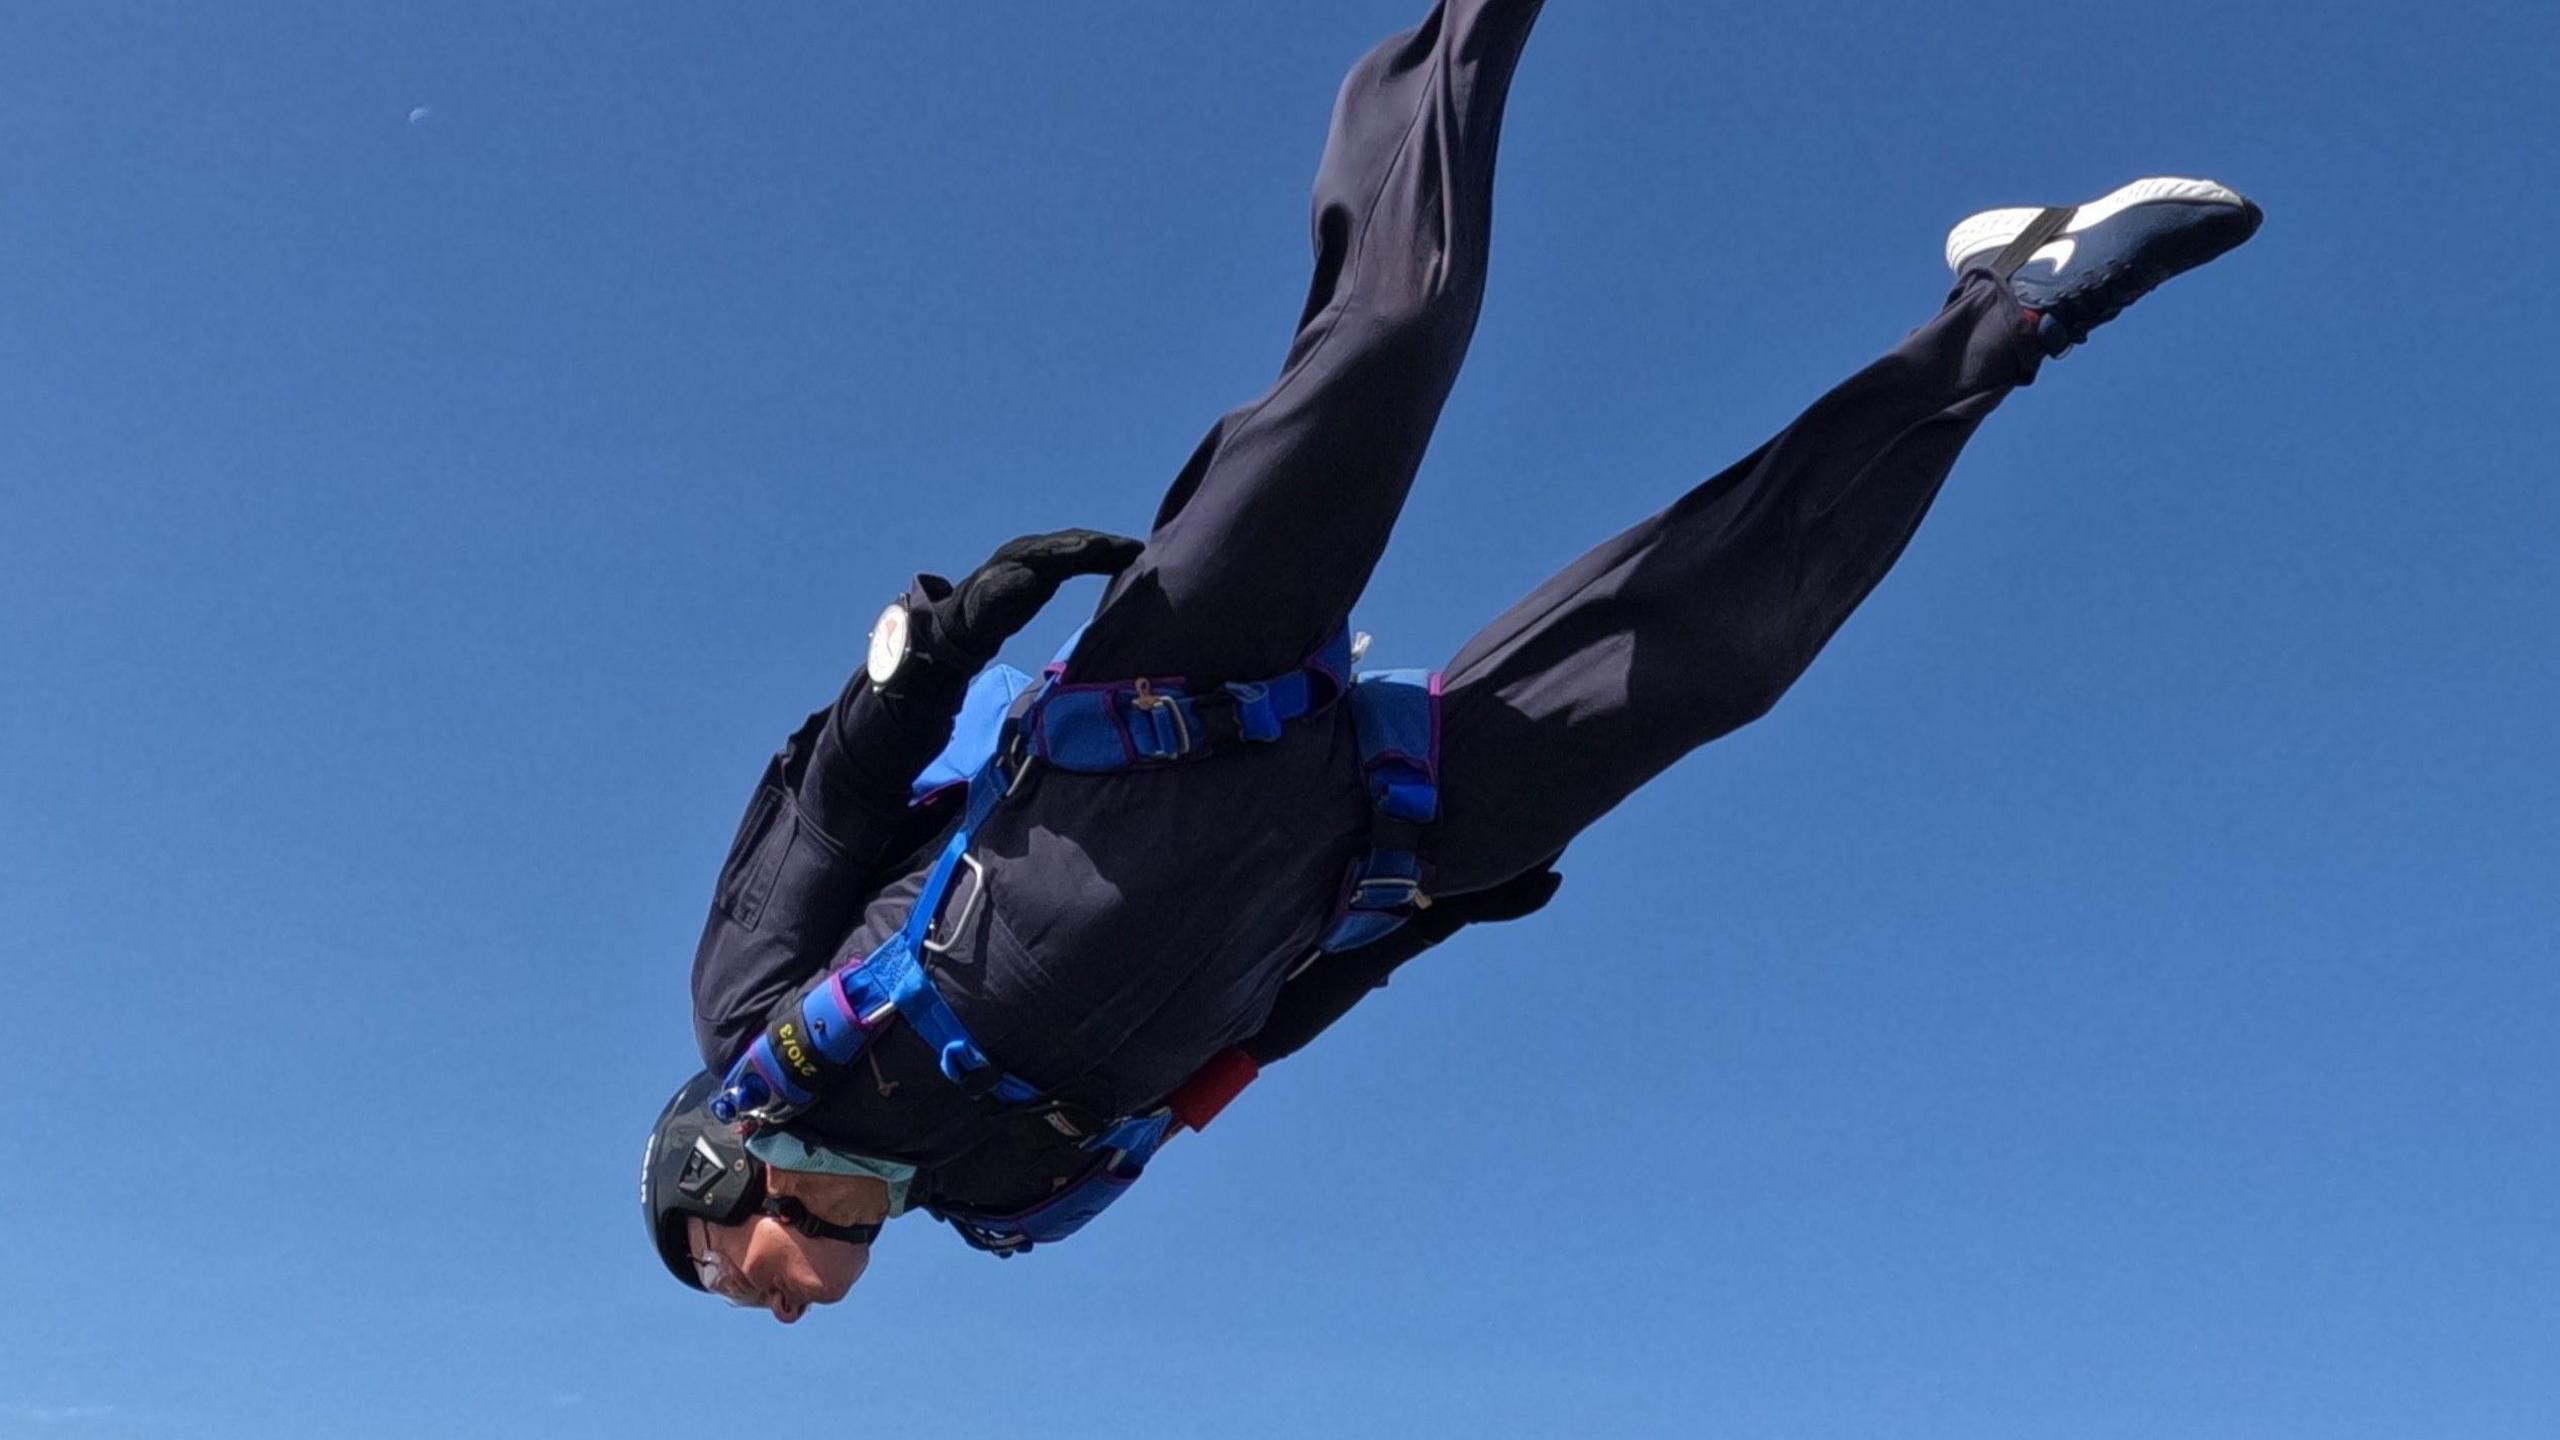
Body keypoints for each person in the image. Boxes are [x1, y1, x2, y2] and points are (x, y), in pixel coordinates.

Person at [641, 0, 2262, 1322]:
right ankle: (2020, 302)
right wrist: (1429, 925)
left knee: (1391, 336)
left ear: (707, 1181)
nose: (765, 1312)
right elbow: (1253, 1034)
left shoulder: (754, 1015)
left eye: (719, 1279)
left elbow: (830, 808)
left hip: (1156, 715)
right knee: (1719, 650)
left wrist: (931, 657)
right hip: (1373, 845)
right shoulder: (1018, 1198)